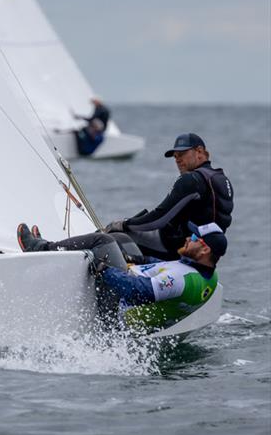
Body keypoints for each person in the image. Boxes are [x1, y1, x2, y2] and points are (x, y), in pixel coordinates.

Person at [16, 221, 225, 331]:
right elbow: (163, 267)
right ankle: (57, 248)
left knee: (102, 240)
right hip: (127, 290)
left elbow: (136, 292)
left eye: (195, 237)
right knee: (120, 239)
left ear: (205, 250)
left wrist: (104, 269)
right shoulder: (206, 274)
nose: (189, 237)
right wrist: (128, 257)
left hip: (117, 315)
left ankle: (40, 248)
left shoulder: (183, 281)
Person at [104, 133, 234, 261]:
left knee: (113, 237)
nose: (177, 160)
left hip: (178, 247)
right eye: (175, 156)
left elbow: (157, 220)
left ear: (199, 151)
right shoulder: (222, 180)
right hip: (206, 252)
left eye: (182, 154)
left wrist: (123, 225)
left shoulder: (191, 179)